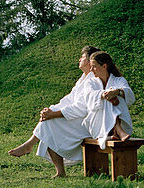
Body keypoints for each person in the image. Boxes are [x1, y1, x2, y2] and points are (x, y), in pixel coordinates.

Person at [8, 45, 100, 177]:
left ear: (90, 61)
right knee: (48, 123)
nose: (79, 59)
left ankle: (30, 145)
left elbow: (82, 108)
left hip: (86, 122)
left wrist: (54, 114)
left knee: (49, 124)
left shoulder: (92, 81)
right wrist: (52, 109)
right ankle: (59, 170)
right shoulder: (83, 78)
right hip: (75, 117)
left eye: (83, 57)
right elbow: (69, 99)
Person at [86, 50, 135, 147]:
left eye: (94, 66)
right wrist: (105, 95)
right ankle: (118, 130)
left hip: (121, 120)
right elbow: (88, 98)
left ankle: (116, 130)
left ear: (104, 66)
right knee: (107, 96)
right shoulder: (90, 82)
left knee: (116, 93)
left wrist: (117, 92)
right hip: (98, 123)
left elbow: (130, 96)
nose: (91, 70)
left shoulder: (119, 80)